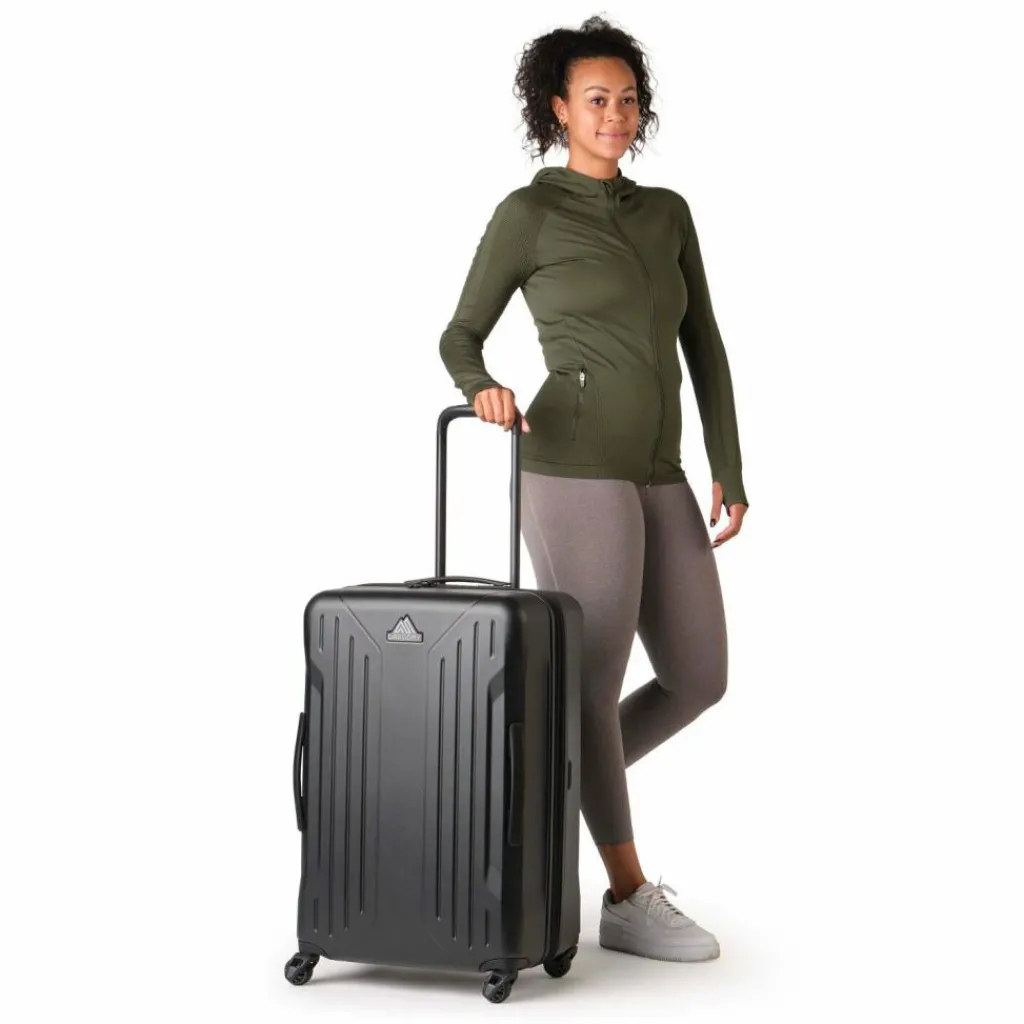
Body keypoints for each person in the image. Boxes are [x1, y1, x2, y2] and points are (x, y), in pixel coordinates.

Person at [438, 15, 749, 964]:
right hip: (571, 462)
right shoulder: (529, 213)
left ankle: (541, 784)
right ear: (559, 110)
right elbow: (460, 334)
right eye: (596, 99)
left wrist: (728, 463)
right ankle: (624, 891)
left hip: (659, 467)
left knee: (699, 677)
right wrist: (481, 389)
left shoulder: (668, 214)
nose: (616, 114)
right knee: (593, 685)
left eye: (628, 99)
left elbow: (704, 345)